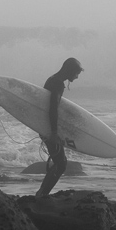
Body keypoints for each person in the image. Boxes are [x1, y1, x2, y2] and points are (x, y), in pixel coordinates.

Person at [35, 57, 84, 198]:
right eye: (76, 73)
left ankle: (41, 193)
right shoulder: (57, 84)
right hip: (49, 128)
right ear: (69, 71)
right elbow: (53, 109)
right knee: (61, 164)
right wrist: (54, 132)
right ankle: (42, 195)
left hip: (45, 125)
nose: (77, 77)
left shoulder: (52, 79)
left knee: (59, 162)